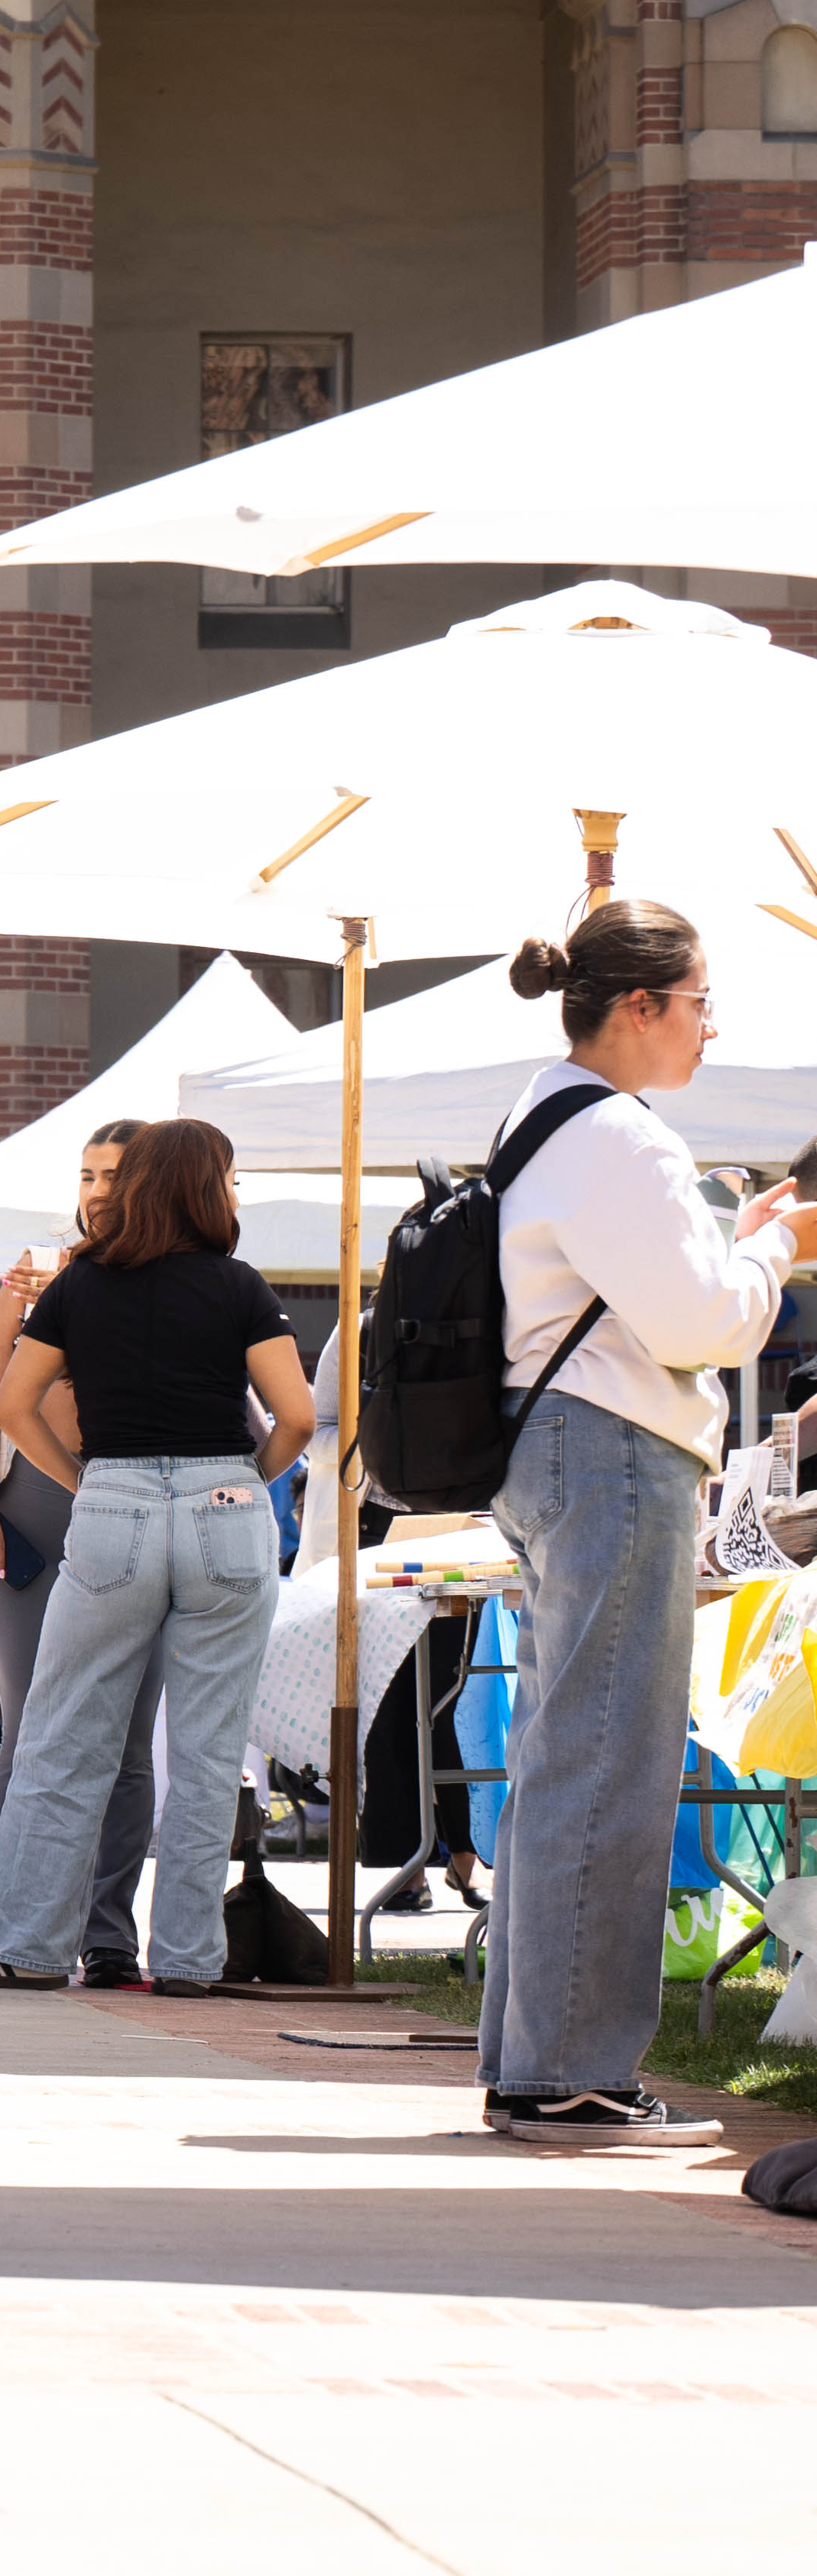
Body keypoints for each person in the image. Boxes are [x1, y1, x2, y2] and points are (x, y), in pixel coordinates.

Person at [468, 900, 802, 2143]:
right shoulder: (620, 1137)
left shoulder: (542, 1114)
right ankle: (572, 2073)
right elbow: (701, 1323)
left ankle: (536, 2058)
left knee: (564, 1760)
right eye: (702, 1002)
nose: (712, 1028)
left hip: (551, 1446)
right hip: (613, 1452)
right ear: (640, 1006)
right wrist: (765, 1252)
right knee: (612, 1764)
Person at [0, 1119, 313, 1998]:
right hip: (226, 1504)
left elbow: (14, 1404)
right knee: (208, 1748)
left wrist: (81, 1476)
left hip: (113, 1503)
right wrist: (242, 1480)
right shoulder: (240, 1286)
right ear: (209, 1190)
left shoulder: (80, 1289)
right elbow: (295, 1415)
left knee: (66, 1735)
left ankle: (25, 1947)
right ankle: (187, 1960)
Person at [0, 1125, 170, 1976]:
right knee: (34, 1727)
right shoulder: (38, 1269)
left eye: (116, 1173)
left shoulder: (177, 1276)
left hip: (137, 1515)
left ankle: (108, 1935)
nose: (99, 1187)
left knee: (127, 1740)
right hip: (32, 1521)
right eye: (87, 1173)